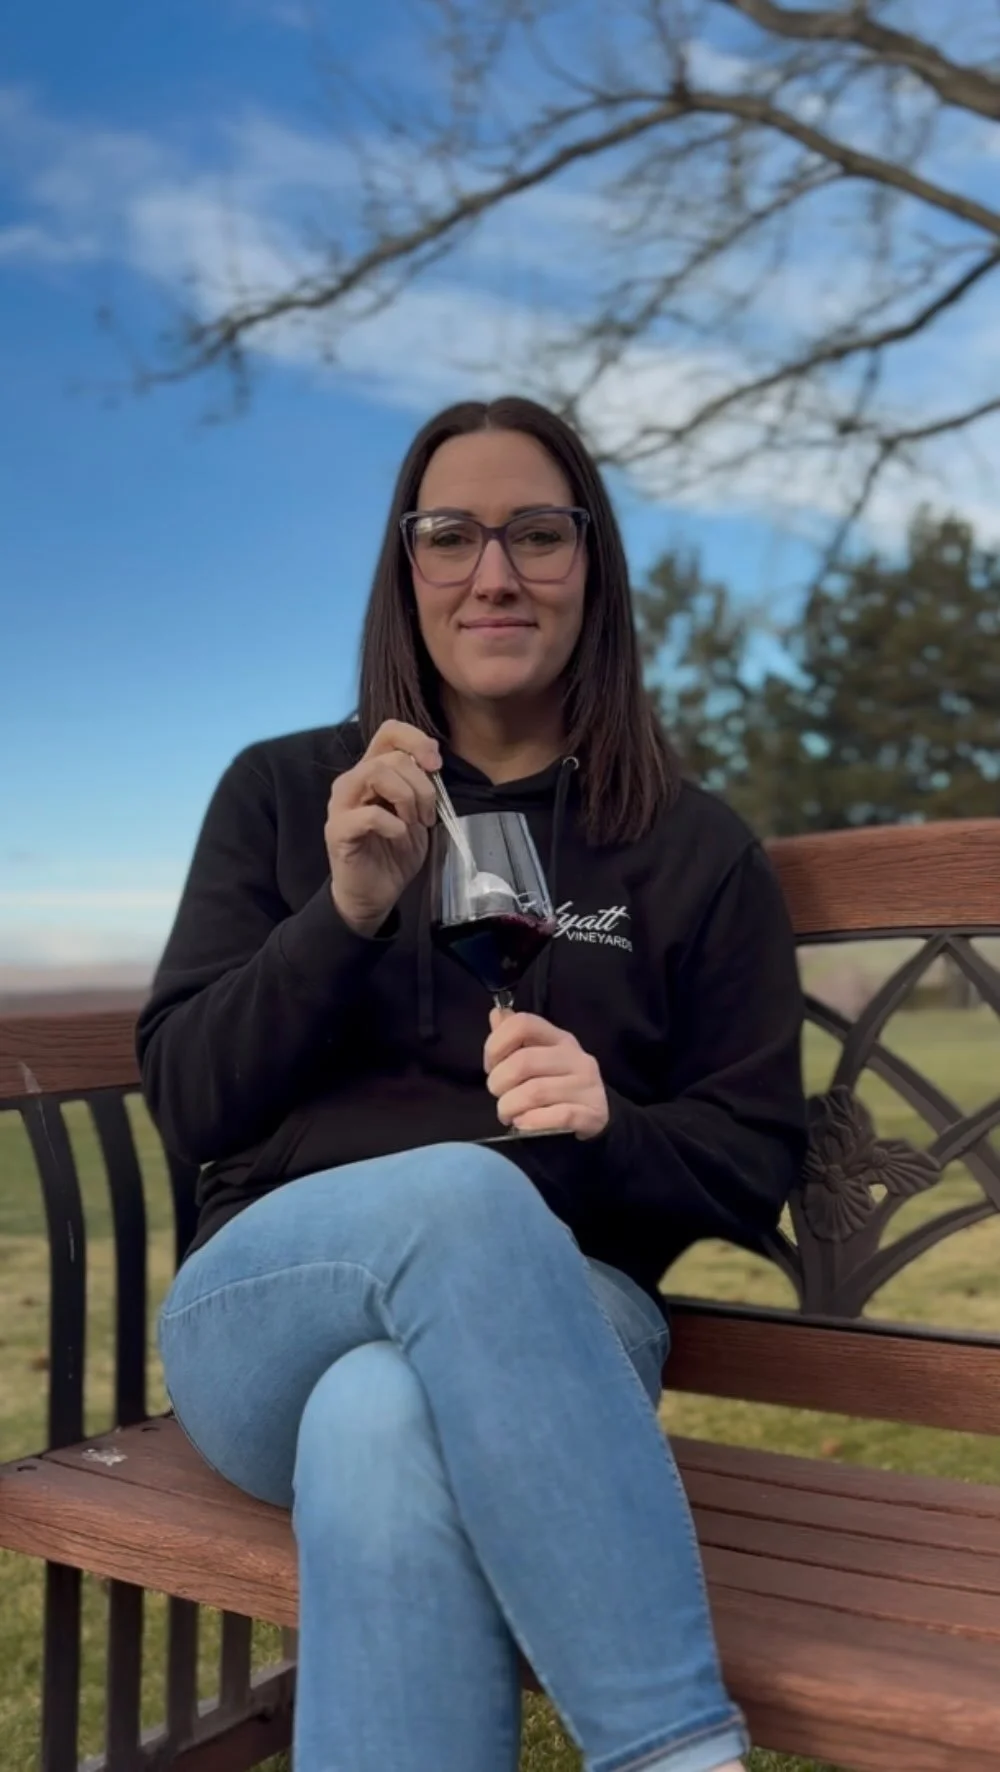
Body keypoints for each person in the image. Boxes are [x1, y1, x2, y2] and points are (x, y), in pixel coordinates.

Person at [138, 395, 807, 1772]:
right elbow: (192, 1101)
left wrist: (611, 1125)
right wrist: (341, 918)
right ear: (409, 569)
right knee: (460, 1192)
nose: (493, 573)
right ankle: (677, 1750)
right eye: (452, 535)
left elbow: (753, 1161)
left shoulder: (690, 851)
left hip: (572, 1321)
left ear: (590, 564)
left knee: (384, 1419)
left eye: (537, 534)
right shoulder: (287, 795)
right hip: (266, 1308)